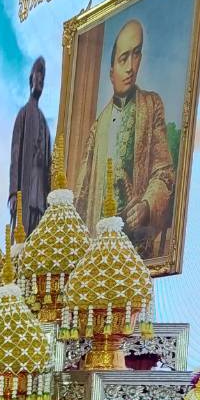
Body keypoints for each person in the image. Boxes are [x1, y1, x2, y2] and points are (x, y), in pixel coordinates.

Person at [74, 19, 174, 257]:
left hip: (134, 249)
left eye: (136, 55)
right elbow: (82, 190)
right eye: (123, 59)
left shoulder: (151, 106)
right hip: (98, 248)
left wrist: (147, 206)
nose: (130, 67)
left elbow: (165, 173)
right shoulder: (99, 125)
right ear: (111, 73)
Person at [8, 56, 51, 237]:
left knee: (38, 232)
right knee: (22, 235)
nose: (39, 83)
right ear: (30, 80)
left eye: (42, 80)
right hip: (26, 185)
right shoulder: (24, 114)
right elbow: (15, 156)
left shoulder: (43, 120)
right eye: (37, 79)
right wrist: (13, 193)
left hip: (41, 189)